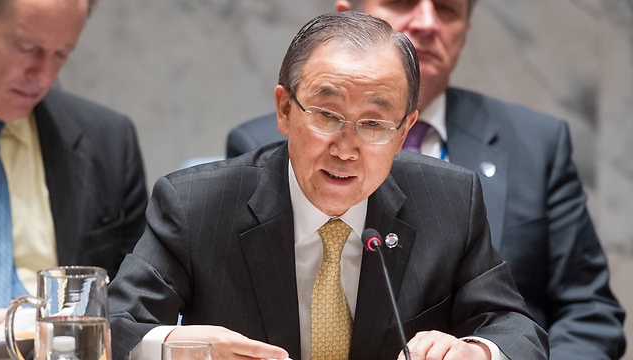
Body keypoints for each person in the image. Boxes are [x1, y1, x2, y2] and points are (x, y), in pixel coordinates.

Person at [109, 12, 548, 360]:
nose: (345, 149)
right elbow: (112, 322)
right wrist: (181, 347)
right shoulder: (195, 204)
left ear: (403, 132)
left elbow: (516, 330)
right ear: (284, 109)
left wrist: (474, 352)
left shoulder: (450, 202)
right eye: (326, 115)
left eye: (374, 123)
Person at [226, 1, 627, 359]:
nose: (426, 22)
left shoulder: (537, 145)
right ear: (346, 17)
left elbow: (587, 311)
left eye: (447, 9)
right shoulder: (268, 147)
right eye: (402, 1)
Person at [0, 0, 147, 329]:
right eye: (25, 47)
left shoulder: (109, 141)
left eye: (62, 54)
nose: (44, 75)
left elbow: (137, 307)